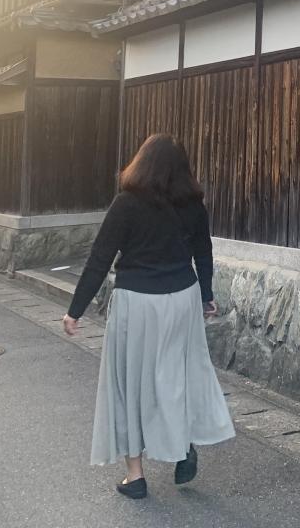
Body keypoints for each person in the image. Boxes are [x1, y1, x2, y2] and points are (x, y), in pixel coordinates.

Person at [62, 133, 235, 499]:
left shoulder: (126, 204)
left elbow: (100, 257)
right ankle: (182, 445)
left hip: (137, 302)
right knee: (177, 377)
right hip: (182, 298)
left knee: (129, 383)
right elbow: (203, 253)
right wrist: (206, 296)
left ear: (141, 163)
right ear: (182, 168)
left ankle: (135, 475)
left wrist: (75, 310)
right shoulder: (193, 205)